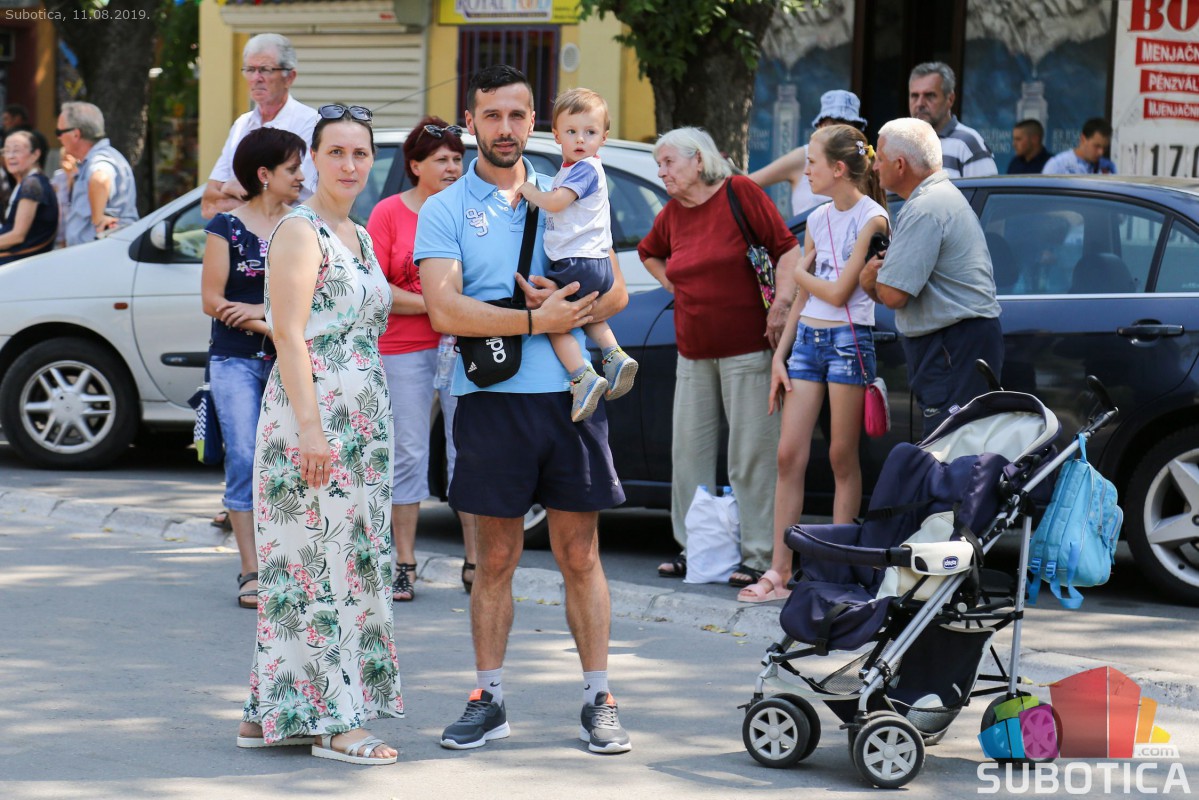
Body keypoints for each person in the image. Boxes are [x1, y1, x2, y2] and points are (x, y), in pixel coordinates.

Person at [416, 64, 631, 755]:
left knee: (579, 554)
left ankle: (599, 698)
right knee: (495, 559)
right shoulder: (445, 207)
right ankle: (489, 700)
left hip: (572, 400)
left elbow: (617, 293)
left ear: (534, 121)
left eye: (516, 115)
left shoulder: (570, 188)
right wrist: (539, 321)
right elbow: (445, 310)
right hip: (489, 403)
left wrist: (569, 307)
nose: (504, 128)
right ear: (470, 123)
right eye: (491, 116)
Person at [239, 103, 402, 765]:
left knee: (346, 563)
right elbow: (288, 333)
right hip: (315, 423)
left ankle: (271, 709)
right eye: (335, 152)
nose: (349, 165)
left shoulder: (357, 233)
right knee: (319, 569)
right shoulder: (299, 231)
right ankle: (335, 724)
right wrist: (310, 432)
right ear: (313, 159)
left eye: (360, 153)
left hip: (361, 424)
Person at [637, 127, 799, 591]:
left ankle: (759, 555)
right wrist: (677, 287)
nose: (662, 172)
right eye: (659, 164)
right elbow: (649, 254)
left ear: (698, 160)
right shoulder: (672, 214)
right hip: (692, 352)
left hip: (748, 347)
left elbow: (787, 249)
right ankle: (696, 550)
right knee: (689, 455)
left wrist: (781, 305)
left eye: (669, 162)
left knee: (751, 457)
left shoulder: (738, 192)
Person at [739, 124, 889, 604]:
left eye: (811, 163)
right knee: (789, 455)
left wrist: (802, 274)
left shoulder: (874, 219)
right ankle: (779, 571)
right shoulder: (819, 216)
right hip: (806, 340)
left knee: (842, 457)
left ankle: (838, 571)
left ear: (838, 169)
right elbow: (805, 296)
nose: (805, 171)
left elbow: (840, 292)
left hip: (849, 339)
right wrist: (780, 356)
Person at [365, 115, 478, 602]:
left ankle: (475, 561)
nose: (452, 167)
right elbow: (377, 289)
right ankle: (404, 563)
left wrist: (450, 310)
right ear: (415, 165)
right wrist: (440, 306)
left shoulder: (471, 212)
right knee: (408, 452)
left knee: (465, 452)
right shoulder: (388, 213)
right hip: (403, 349)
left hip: (463, 346)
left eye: (457, 159)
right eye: (441, 160)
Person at [200, 127, 306, 609]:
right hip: (234, 360)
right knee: (244, 457)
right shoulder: (225, 226)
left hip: (289, 357)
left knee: (291, 460)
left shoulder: (303, 226)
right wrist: (262, 320)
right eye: (292, 169)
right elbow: (211, 300)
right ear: (265, 174)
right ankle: (252, 570)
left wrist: (263, 316)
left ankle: (290, 563)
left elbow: (314, 298)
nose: (302, 177)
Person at [860, 117, 1003, 436]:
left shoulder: (925, 208)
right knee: (961, 441)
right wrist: (878, 281)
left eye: (879, 158)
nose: (874, 167)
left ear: (900, 164)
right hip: (958, 343)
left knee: (951, 444)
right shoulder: (939, 197)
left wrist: (868, 278)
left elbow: (893, 295)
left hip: (951, 346)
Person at [514, 87, 638, 422]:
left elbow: (556, 203)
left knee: (552, 319)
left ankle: (582, 376)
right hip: (596, 262)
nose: (581, 139)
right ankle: (614, 355)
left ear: (604, 137)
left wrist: (530, 191)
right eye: (571, 131)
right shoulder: (573, 170)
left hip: (578, 261)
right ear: (556, 135)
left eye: (590, 132)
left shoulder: (585, 169)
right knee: (590, 315)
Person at [201, 33, 319, 218]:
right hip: (239, 237)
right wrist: (262, 195)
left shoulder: (310, 124)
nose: (256, 78)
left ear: (290, 77)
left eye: (265, 69)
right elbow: (209, 204)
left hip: (288, 234)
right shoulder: (242, 125)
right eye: (250, 69)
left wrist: (230, 186)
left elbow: (284, 199)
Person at [749, 90, 869, 218]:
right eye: (833, 124)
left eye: (846, 125)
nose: (839, 132)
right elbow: (747, 183)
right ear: (820, 126)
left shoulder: (861, 161)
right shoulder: (802, 157)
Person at [55, 102, 139, 246]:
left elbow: (100, 179)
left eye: (59, 132)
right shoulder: (94, 159)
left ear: (76, 134)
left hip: (97, 254)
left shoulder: (99, 158)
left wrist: (98, 220)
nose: (59, 138)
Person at [908, 62, 997, 178]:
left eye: (930, 95)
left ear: (950, 99)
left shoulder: (968, 144)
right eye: (914, 96)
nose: (920, 103)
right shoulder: (902, 144)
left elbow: (985, 189)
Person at [0, 130, 58, 265]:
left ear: (35, 154)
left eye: (17, 151)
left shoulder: (32, 184)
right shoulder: (27, 182)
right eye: (6, 151)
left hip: (20, 265)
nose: (10, 156)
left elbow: (17, 235)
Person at [1042, 118, 1116, 175]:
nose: (1101, 152)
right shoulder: (1058, 165)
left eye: (1105, 148)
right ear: (1083, 139)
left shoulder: (1108, 167)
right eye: (1096, 146)